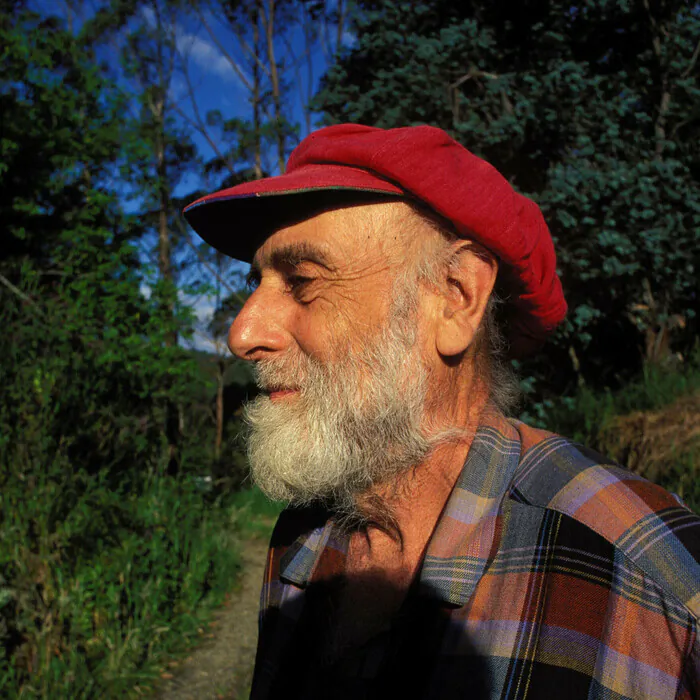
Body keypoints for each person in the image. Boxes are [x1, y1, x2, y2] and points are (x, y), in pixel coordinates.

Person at [184, 124, 700, 699]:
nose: (243, 331)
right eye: (257, 281)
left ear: (456, 297)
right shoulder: (302, 538)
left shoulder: (655, 583)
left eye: (303, 282)